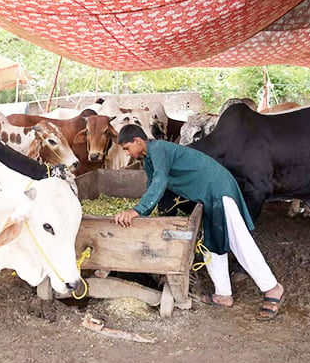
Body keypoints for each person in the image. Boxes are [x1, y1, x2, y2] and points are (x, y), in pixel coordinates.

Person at [113, 125, 285, 321]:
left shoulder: (158, 149)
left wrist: (136, 210)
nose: (127, 153)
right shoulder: (148, 160)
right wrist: (148, 219)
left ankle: (272, 288)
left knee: (240, 242)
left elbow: (160, 181)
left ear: (137, 141)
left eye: (127, 148)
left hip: (218, 190)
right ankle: (223, 294)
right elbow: (155, 188)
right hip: (206, 196)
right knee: (211, 243)